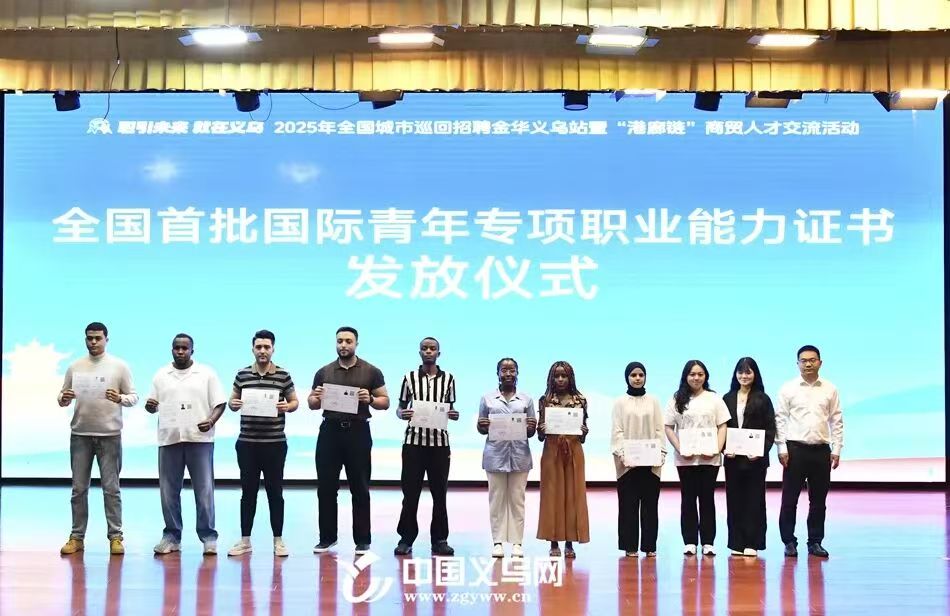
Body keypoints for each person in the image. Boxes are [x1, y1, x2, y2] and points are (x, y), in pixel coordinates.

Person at [58, 322, 138, 556]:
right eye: (89, 338)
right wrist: (64, 397)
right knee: (78, 489)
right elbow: (61, 397)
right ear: (85, 339)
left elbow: (134, 397)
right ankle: (77, 537)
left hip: (109, 435)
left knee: (111, 489)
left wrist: (120, 398)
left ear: (106, 340)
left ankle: (116, 537)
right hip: (80, 435)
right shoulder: (75, 366)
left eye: (98, 338)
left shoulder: (119, 366)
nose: (93, 342)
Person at [145, 333, 228, 555]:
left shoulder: (206, 373)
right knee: (168, 491)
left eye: (185, 348)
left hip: (199, 439)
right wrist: (150, 407)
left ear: (192, 350)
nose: (180, 351)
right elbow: (152, 404)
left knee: (204, 490)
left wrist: (211, 420)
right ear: (171, 349)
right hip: (169, 439)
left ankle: (208, 537)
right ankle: (172, 537)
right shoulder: (161, 375)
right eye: (177, 348)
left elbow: (220, 403)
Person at [309, 326, 390, 555]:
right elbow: (312, 404)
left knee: (360, 487)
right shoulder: (324, 372)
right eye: (340, 341)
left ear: (356, 344)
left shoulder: (371, 371)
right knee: (326, 487)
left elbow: (385, 402)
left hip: (358, 432)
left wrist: (371, 398)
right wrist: (316, 398)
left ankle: (362, 540)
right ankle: (327, 538)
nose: (343, 345)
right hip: (330, 432)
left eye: (348, 341)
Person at [226, 330, 299, 557]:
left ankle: (278, 540)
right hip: (247, 443)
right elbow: (232, 401)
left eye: (267, 347)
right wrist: (233, 404)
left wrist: (288, 406)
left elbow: (295, 402)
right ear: (253, 349)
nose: (263, 351)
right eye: (259, 347)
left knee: (275, 493)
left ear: (273, 349)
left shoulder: (283, 375)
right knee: (248, 493)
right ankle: (245, 540)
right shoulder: (242, 374)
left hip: (274, 443)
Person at [394, 337, 459, 557]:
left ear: (439, 353)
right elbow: (400, 407)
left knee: (439, 494)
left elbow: (449, 408)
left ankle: (440, 540)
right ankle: (406, 539)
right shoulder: (409, 378)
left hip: (439, 444)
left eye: (432, 348)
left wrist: (453, 414)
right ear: (419, 352)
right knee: (410, 493)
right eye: (425, 348)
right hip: (413, 443)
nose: (428, 351)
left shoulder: (449, 379)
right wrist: (402, 414)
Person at [776, 345, 844, 558]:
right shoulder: (788, 388)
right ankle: (789, 541)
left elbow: (836, 419)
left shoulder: (830, 388)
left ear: (820, 363)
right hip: (795, 450)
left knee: (818, 501)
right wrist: (781, 447)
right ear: (797, 364)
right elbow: (780, 419)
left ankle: (815, 542)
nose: (808, 364)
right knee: (789, 500)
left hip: (821, 451)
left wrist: (837, 448)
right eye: (803, 360)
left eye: (812, 360)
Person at [664, 360, 730, 556]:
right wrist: (680, 448)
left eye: (700, 374)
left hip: (710, 458)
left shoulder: (714, 398)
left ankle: (708, 542)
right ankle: (690, 541)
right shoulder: (677, 398)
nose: (696, 378)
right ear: (686, 376)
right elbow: (668, 427)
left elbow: (722, 425)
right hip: (686, 459)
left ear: (705, 376)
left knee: (707, 498)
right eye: (692, 374)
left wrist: (717, 449)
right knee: (688, 498)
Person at [477, 358, 537, 559]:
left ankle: (517, 543)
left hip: (520, 456)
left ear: (517, 373)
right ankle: (498, 542)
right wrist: (482, 425)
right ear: (498, 373)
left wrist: (531, 427)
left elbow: (531, 431)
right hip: (495, 455)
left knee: (517, 500)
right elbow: (481, 428)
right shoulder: (487, 399)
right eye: (504, 370)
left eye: (512, 370)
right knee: (496, 500)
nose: (508, 374)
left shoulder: (526, 400)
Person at [722, 357, 776, 558]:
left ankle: (753, 542)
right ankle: (736, 542)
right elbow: (721, 428)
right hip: (733, 459)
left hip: (756, 460)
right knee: (734, 500)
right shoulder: (727, 398)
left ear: (755, 374)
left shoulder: (763, 398)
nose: (744, 376)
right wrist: (724, 448)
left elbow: (770, 429)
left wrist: (760, 450)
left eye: (748, 372)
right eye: (740, 372)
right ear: (735, 374)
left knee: (754, 501)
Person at [611, 361, 666, 558]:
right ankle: (630, 546)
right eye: (633, 375)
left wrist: (661, 453)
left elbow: (659, 429)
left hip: (651, 463)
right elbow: (617, 431)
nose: (637, 378)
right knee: (628, 505)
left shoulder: (654, 401)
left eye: (641, 375)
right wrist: (623, 455)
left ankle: (649, 546)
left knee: (650, 506)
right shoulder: (620, 402)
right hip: (628, 464)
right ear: (627, 377)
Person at [536, 361, 589, 558]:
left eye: (564, 376)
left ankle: (569, 543)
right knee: (552, 496)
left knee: (573, 496)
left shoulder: (580, 400)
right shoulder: (545, 400)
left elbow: (582, 437)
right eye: (556, 376)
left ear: (570, 378)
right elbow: (540, 436)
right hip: (552, 451)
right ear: (551, 378)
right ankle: (553, 542)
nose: (560, 379)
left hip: (574, 451)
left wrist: (584, 432)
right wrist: (541, 430)